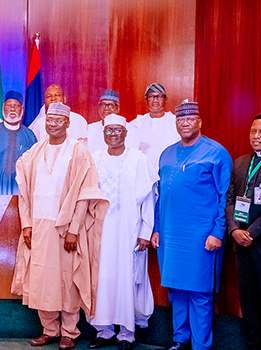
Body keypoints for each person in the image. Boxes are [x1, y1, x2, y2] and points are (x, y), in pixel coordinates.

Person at [11, 102, 108, 350]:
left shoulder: (78, 152)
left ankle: (69, 332)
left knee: (68, 279)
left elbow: (85, 194)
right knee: (43, 278)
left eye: (58, 120)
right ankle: (49, 330)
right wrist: (27, 225)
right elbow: (24, 193)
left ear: (67, 123)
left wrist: (74, 228)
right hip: (39, 227)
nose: (53, 124)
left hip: (66, 229)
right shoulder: (35, 151)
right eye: (50, 120)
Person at [150, 100, 232, 350]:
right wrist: (155, 228)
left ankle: (201, 345)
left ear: (199, 122)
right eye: (180, 119)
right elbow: (160, 195)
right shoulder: (167, 153)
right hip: (170, 235)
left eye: (189, 119)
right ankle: (179, 339)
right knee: (176, 290)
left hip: (201, 237)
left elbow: (225, 196)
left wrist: (218, 231)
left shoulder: (216, 153)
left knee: (199, 293)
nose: (184, 123)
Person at [89, 114, 158, 350]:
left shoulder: (138, 159)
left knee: (128, 278)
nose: (113, 135)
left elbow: (148, 199)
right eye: (109, 131)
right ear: (103, 134)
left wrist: (145, 232)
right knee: (102, 278)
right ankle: (104, 330)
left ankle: (127, 334)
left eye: (118, 130)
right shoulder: (95, 158)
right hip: (101, 230)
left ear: (126, 134)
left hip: (130, 229)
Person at [225, 113, 261, 349]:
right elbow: (229, 200)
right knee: (248, 303)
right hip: (241, 246)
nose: (256, 136)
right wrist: (235, 230)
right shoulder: (240, 162)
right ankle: (253, 346)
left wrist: (252, 232)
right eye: (253, 131)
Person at [130, 83, 180, 168]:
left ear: (165, 99)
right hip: (145, 174)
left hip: (170, 172)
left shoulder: (175, 122)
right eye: (151, 97)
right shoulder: (136, 124)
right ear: (146, 100)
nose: (155, 100)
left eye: (159, 96)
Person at [87, 89, 144, 154]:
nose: (106, 108)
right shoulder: (90, 129)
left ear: (118, 108)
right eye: (103, 104)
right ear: (98, 107)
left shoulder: (132, 131)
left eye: (111, 105)